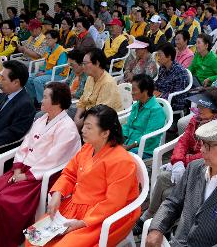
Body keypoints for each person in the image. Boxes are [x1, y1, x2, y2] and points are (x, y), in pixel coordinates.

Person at [0, 82, 81, 247]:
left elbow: (53, 160)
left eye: (46, 97)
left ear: (56, 102)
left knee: (4, 201)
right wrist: (18, 166)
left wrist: (26, 176)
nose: (41, 99)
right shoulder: (42, 119)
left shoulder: (67, 129)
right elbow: (25, 144)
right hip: (23, 169)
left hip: (40, 177)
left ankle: (1, 241)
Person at [29, 104, 140, 246]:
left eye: (89, 127)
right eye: (84, 125)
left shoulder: (122, 161)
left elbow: (113, 203)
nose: (83, 130)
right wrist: (58, 193)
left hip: (103, 217)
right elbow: (69, 174)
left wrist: (82, 222)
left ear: (105, 133)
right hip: (75, 206)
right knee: (33, 238)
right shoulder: (88, 147)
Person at [145, 119, 217, 247]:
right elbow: (172, 202)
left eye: (208, 145)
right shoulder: (194, 168)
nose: (202, 150)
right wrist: (156, 228)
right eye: (202, 143)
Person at [133, 87, 217, 234]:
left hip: (206, 171)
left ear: (215, 109)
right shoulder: (196, 119)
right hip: (188, 165)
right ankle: (155, 217)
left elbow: (208, 155)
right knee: (164, 178)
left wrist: (183, 162)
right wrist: (177, 161)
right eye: (199, 105)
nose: (199, 108)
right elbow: (183, 142)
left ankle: (155, 217)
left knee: (165, 181)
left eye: (204, 106)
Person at [0, 60, 36, 169]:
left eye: (3, 79)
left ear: (16, 82)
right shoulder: (3, 95)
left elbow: (13, 133)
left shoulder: (25, 105)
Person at [74, 48, 122, 130]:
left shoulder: (107, 83)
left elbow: (98, 113)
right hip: (88, 114)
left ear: (97, 63)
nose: (83, 66)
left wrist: (80, 123)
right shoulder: (90, 78)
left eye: (85, 63)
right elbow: (83, 100)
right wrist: (77, 118)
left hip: (102, 120)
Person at [122, 74, 165, 158]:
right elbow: (127, 126)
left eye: (134, 90)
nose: (131, 93)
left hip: (144, 150)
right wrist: (120, 141)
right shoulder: (136, 105)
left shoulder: (156, 110)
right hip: (128, 144)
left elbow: (149, 137)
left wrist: (129, 147)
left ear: (145, 91)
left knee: (117, 157)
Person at [25, 30, 69, 106]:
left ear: (55, 39)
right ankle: (33, 99)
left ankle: (42, 102)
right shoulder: (48, 49)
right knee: (27, 78)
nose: (46, 41)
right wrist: (41, 71)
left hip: (59, 75)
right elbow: (45, 63)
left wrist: (44, 73)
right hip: (47, 73)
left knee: (37, 80)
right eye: (45, 39)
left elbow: (59, 69)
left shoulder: (61, 51)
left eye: (49, 39)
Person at [154, 43, 189, 111]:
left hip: (173, 102)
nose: (158, 58)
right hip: (160, 96)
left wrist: (159, 95)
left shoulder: (180, 72)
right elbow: (158, 84)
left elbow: (178, 96)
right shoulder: (163, 68)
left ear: (169, 56)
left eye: (160, 55)